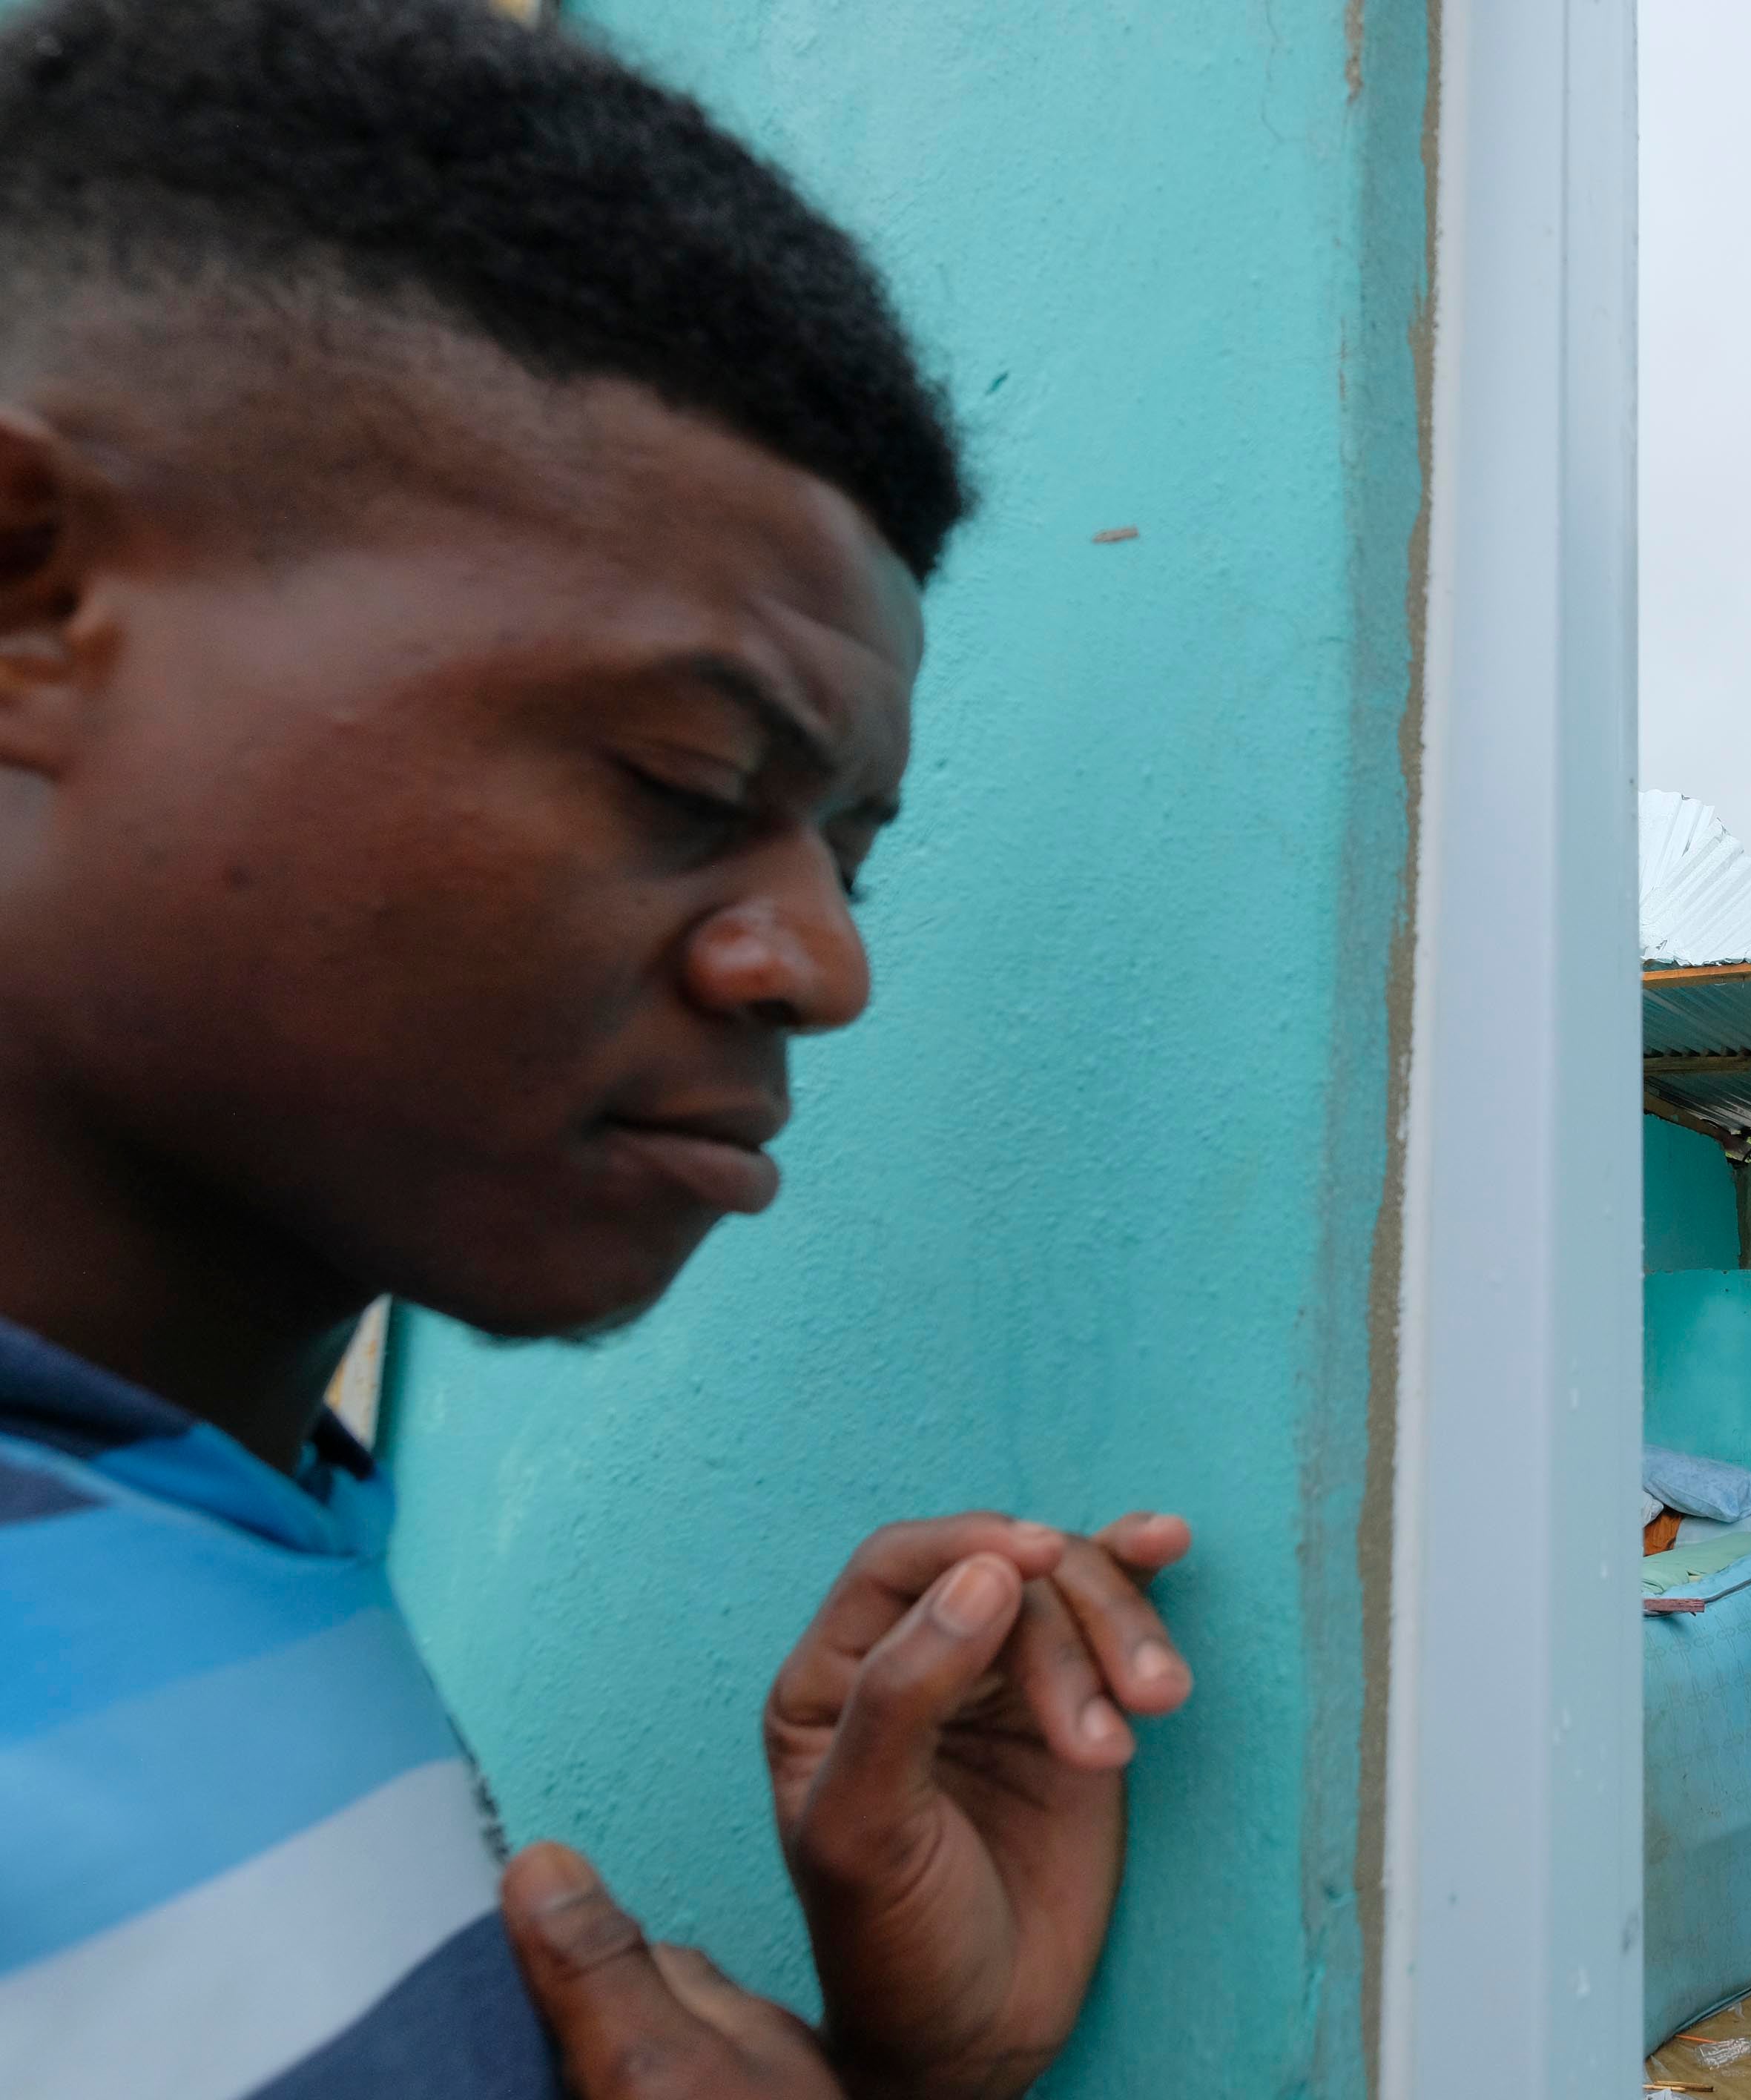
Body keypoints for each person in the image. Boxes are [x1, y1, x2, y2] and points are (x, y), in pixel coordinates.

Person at [0, 4, 1193, 2096]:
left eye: (850, 853)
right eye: (683, 773)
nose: (821, 966)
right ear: (31, 600)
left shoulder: (227, 1518)